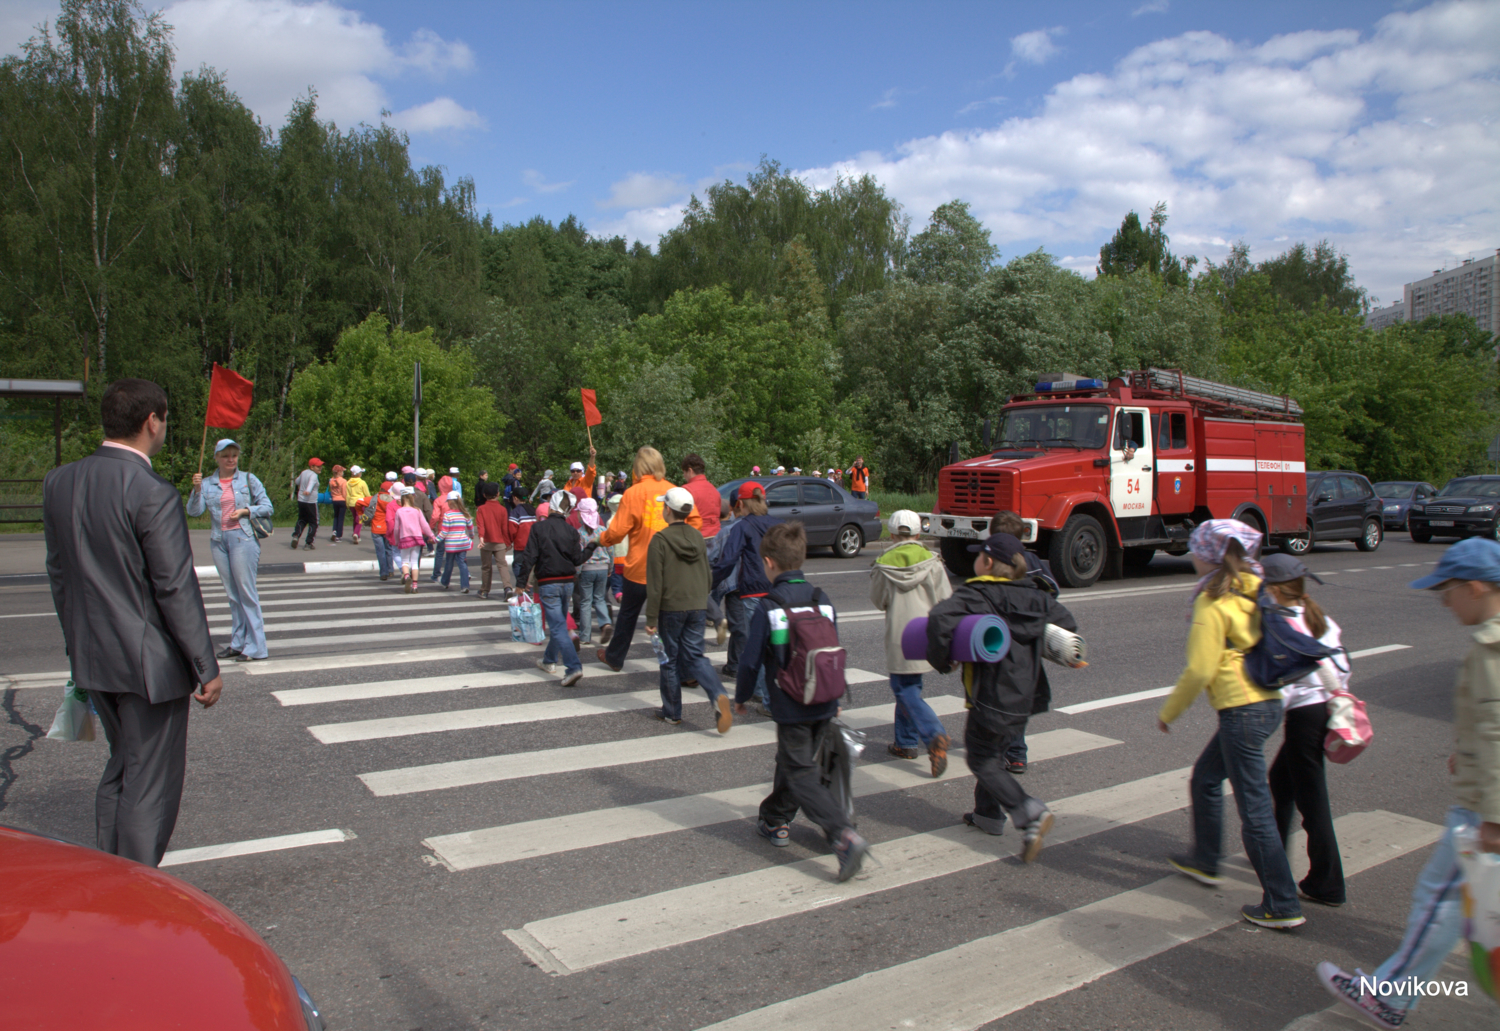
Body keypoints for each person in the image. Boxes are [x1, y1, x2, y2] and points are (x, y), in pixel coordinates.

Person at [1317, 537, 1500, 1028]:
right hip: (1484, 800)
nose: (1444, 602)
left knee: (1439, 902)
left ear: (1477, 588)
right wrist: (1467, 752)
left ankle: (1391, 997)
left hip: (1485, 812)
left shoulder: (1493, 648)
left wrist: (1494, 818)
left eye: (1448, 592)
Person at [43, 378, 223, 867]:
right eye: (164, 421)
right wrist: (205, 664)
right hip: (150, 668)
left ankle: (111, 873)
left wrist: (76, 644)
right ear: (152, 422)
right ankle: (136, 888)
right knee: (150, 786)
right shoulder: (151, 492)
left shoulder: (60, 482)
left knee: (121, 769)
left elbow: (60, 575)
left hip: (93, 658)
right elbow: (174, 587)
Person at [1157, 519, 1304, 929]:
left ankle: (1282, 902)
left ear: (1208, 557)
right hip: (1268, 702)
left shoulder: (1212, 602)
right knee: (1205, 777)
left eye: (1194, 551)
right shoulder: (1255, 588)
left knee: (1255, 813)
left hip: (1241, 710)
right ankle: (1205, 859)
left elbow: (1200, 668)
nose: (1191, 558)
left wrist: (1169, 712)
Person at [927, 532, 1074, 862]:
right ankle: (988, 816)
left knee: (981, 758)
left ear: (988, 562)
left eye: (979, 555)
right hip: (1027, 695)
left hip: (991, 694)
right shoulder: (1037, 595)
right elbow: (1067, 625)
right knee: (996, 753)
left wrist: (942, 661)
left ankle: (1029, 812)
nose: (976, 559)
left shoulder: (979, 592)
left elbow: (938, 618)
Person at [734, 521, 868, 880]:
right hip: (824, 699)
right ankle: (775, 819)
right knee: (795, 763)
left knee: (800, 771)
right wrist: (836, 695)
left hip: (791, 704)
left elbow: (749, 661)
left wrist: (741, 697)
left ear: (769, 563)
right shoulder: (822, 601)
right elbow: (833, 648)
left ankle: (843, 835)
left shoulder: (770, 607)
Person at [1261, 554, 1346, 908]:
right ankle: (1271, 851)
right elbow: (1341, 666)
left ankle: (1326, 883)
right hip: (1324, 708)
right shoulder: (1319, 616)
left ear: (1276, 590)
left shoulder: (1281, 623)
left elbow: (1283, 683)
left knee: (1313, 802)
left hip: (1305, 717)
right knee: (1282, 781)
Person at [595, 447, 701, 672]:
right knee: (668, 623)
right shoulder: (673, 489)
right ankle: (683, 669)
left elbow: (616, 532)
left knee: (628, 615)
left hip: (639, 568)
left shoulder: (633, 493)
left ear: (639, 467)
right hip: (670, 570)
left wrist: (600, 540)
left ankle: (614, 657)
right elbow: (695, 523)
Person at [870, 510, 953, 775]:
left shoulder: (884, 563)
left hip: (899, 635)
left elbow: (878, 600)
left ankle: (934, 734)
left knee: (904, 689)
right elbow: (946, 599)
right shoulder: (932, 561)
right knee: (910, 686)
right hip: (926, 633)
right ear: (919, 533)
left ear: (892, 534)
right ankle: (905, 743)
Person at [645, 486, 733, 732]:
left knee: (669, 660)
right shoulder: (697, 537)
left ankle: (672, 712)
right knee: (695, 656)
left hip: (671, 608)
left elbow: (655, 584)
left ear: (668, 510)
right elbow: (707, 576)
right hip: (697, 605)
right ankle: (717, 694)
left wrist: (651, 618)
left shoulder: (660, 540)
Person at [186, 438, 273, 663]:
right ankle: (238, 643)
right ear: (216, 457)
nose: (230, 459)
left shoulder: (248, 479)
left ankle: (256, 647)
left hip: (243, 539)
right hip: (219, 541)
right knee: (233, 595)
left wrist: (245, 511)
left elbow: (267, 507)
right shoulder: (206, 483)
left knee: (246, 593)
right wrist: (196, 490)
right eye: (225, 456)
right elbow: (195, 512)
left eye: (234, 455)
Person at [989, 509, 1057, 773]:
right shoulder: (1035, 561)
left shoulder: (994, 561)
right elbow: (1053, 590)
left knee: (1001, 697)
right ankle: (1016, 752)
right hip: (1030, 641)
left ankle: (1011, 751)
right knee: (1019, 694)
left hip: (1003, 641)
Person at [712, 483, 782, 707]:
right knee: (776, 643)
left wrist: (709, 583)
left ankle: (764, 695)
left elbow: (727, 561)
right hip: (778, 592)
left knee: (758, 644)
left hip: (752, 592)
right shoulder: (777, 524)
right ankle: (773, 693)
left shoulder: (741, 527)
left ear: (740, 503)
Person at [517, 491, 587, 687]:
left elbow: (529, 557)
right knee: (559, 625)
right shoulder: (571, 531)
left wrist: (521, 583)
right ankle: (549, 661)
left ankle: (573, 667)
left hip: (548, 583)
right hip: (567, 582)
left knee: (557, 628)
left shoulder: (539, 528)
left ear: (552, 506)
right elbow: (577, 560)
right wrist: (591, 547)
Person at [679, 453, 727, 644]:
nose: (684, 476)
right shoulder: (714, 491)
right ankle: (710, 617)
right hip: (717, 539)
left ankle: (715, 618)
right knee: (708, 584)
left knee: (695, 587)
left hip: (697, 540)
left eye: (684, 472)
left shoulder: (686, 490)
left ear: (689, 470)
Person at [575, 497, 613, 644]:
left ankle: (585, 636)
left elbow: (578, 555)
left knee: (585, 602)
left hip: (586, 569)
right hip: (603, 568)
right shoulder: (603, 531)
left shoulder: (579, 533)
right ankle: (606, 623)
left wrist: (577, 571)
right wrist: (610, 567)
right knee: (599, 598)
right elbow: (610, 550)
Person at [474, 480, 514, 600]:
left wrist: (481, 538)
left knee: (486, 567)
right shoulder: (502, 509)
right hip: (500, 542)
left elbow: (480, 525)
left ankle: (485, 590)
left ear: (484, 495)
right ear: (498, 494)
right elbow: (504, 528)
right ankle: (507, 588)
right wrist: (508, 542)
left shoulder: (481, 509)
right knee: (502, 565)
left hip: (486, 542)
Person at [391, 486, 436, 593]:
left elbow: (396, 528)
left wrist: (396, 540)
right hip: (417, 539)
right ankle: (415, 586)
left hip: (404, 539)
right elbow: (424, 525)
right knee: (415, 562)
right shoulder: (417, 510)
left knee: (405, 561)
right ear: (413, 497)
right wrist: (431, 536)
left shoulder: (399, 511)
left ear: (402, 498)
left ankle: (406, 577)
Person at [438, 492, 474, 593]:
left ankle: (445, 582)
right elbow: (470, 527)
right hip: (462, 543)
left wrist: (436, 539)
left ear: (449, 502)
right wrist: (471, 536)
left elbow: (444, 531)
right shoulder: (464, 514)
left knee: (449, 563)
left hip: (451, 544)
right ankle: (465, 585)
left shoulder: (448, 515)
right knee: (462, 563)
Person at [369, 473, 399, 580]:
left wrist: (359, 514)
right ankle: (391, 570)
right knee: (389, 550)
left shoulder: (374, 498)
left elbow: (359, 502)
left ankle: (383, 573)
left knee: (380, 552)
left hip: (376, 528)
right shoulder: (393, 501)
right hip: (388, 528)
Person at [290, 456, 323, 550]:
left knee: (302, 519)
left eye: (320, 466)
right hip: (311, 502)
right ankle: (309, 542)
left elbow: (297, 481)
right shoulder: (314, 475)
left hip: (301, 501)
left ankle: (296, 535)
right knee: (314, 522)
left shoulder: (304, 472)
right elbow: (311, 483)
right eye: (317, 466)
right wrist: (308, 490)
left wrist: (303, 487)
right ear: (312, 467)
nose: (320, 468)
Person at [509, 497, 536, 583]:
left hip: (521, 545)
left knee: (517, 565)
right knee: (531, 566)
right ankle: (530, 588)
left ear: (515, 498)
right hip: (534, 544)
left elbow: (512, 530)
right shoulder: (533, 510)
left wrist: (509, 542)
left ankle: (522, 586)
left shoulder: (515, 512)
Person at [427, 485, 451, 584]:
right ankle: (466, 574)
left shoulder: (438, 500)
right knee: (457, 554)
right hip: (456, 530)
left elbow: (435, 516)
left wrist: (430, 528)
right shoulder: (456, 497)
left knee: (440, 553)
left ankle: (436, 574)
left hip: (443, 529)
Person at [346, 465, 371, 545]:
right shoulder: (362, 482)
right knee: (360, 519)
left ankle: (357, 535)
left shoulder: (348, 483)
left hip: (352, 503)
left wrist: (347, 503)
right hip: (360, 503)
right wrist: (369, 502)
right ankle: (356, 534)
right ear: (358, 474)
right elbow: (367, 494)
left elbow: (347, 495)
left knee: (355, 519)